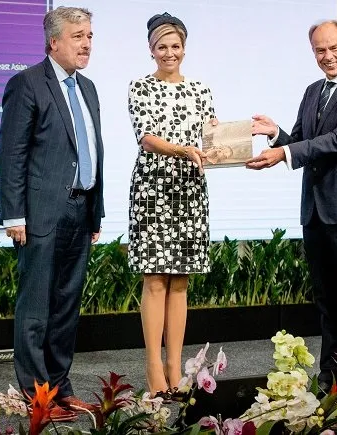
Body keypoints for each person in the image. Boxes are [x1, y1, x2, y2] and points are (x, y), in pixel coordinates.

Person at [246, 20, 337, 395]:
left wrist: (284, 152)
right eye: (320, 50)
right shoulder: (311, 92)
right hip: (317, 213)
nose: (328, 56)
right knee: (329, 305)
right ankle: (327, 382)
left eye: (333, 47)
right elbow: (305, 143)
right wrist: (276, 135)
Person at [0, 6, 104, 419]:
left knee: (65, 309)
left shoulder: (88, 87)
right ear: (54, 41)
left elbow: (93, 152)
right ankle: (36, 396)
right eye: (78, 36)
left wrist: (95, 213)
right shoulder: (26, 84)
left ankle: (60, 388)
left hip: (81, 210)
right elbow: (12, 155)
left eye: (90, 36)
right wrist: (14, 215)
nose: (87, 43)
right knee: (36, 308)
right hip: (39, 214)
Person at [127, 12, 216, 398]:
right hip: (152, 189)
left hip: (190, 190)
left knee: (180, 281)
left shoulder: (200, 89)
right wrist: (185, 149)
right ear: (151, 49)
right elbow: (147, 138)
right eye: (161, 46)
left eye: (175, 46)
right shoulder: (140, 88)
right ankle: (152, 367)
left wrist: (225, 150)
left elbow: (212, 137)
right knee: (154, 279)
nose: (169, 52)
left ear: (184, 48)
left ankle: (174, 367)